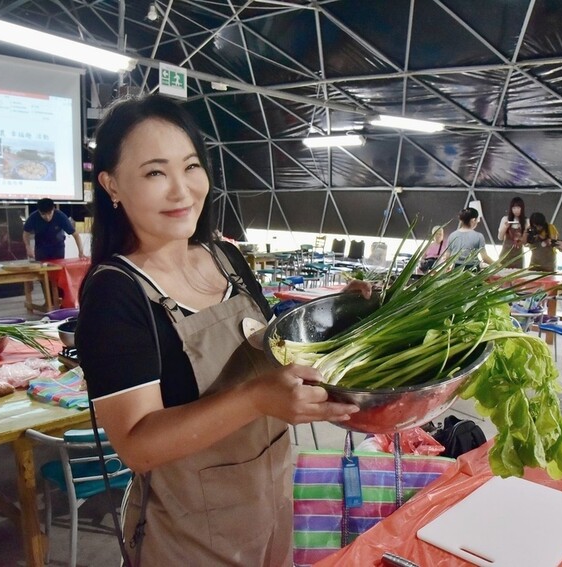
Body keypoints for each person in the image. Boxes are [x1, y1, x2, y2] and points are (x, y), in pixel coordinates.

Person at [74, 95, 367, 566]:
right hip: (189, 535)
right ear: (111, 184)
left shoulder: (223, 257)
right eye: (154, 173)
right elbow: (137, 444)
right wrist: (255, 400)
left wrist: (342, 313)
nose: (182, 191)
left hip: (268, 508)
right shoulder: (116, 293)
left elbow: (276, 348)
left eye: (190, 166)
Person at [497, 197, 528, 268]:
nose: (516, 210)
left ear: (522, 208)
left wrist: (525, 232)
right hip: (505, 254)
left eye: (518, 208)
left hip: (518, 256)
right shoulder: (505, 219)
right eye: (514, 208)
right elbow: (500, 237)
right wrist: (505, 227)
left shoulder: (526, 221)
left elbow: (525, 243)